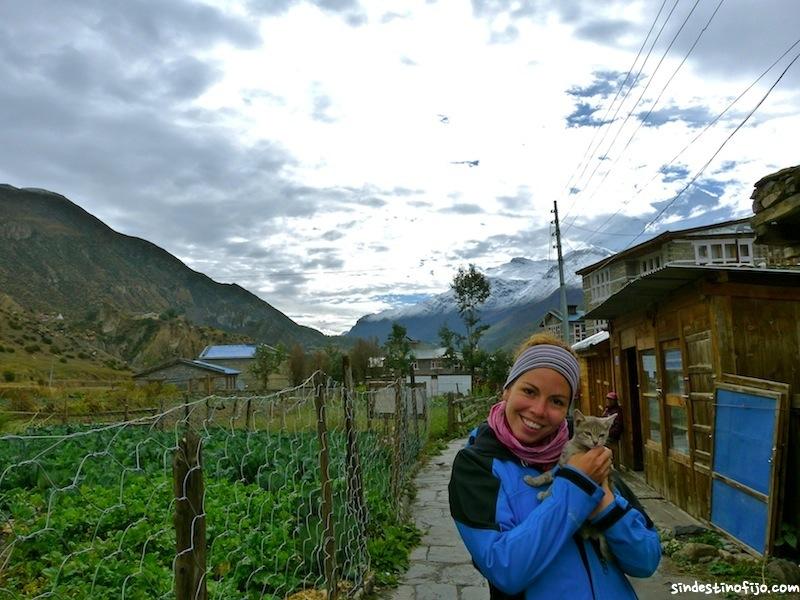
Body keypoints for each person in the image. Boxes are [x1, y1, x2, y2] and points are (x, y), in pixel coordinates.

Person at [448, 333, 660, 599]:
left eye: (557, 401)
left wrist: (605, 504)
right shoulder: (477, 466)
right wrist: (578, 485)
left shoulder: (587, 454)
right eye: (529, 391)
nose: (539, 410)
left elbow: (646, 561)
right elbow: (505, 570)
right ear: (507, 390)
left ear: (568, 408)